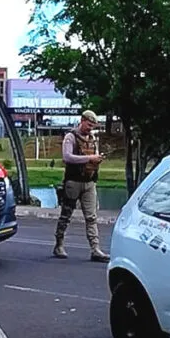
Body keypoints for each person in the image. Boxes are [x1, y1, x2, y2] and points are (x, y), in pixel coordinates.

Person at [53, 110, 109, 262]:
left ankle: (95, 249)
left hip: (89, 182)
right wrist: (89, 158)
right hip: (73, 182)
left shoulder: (92, 139)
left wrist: (97, 159)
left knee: (91, 217)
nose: (90, 128)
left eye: (93, 125)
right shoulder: (70, 137)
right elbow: (67, 157)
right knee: (66, 215)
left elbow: (93, 155)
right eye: (89, 124)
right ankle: (59, 244)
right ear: (82, 120)